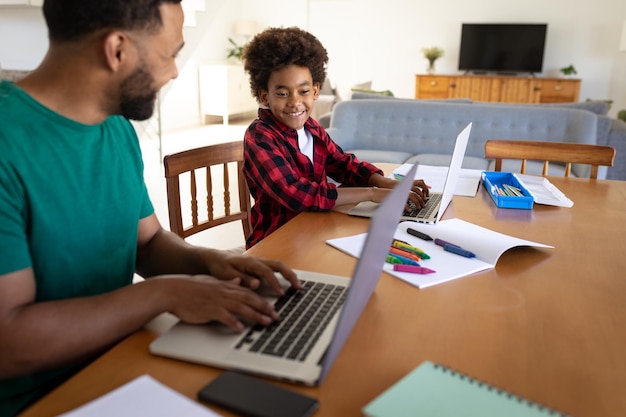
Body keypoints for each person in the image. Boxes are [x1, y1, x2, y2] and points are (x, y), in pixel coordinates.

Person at [0, 2, 299, 416]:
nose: (175, 71)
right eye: (170, 54)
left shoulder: (116, 127)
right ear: (117, 50)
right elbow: (9, 343)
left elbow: (149, 241)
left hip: (127, 358)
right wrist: (164, 293)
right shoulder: (7, 142)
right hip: (42, 399)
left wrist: (211, 263)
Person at [241, 27, 429, 248]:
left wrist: (388, 183)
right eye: (282, 93)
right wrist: (373, 194)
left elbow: (343, 164)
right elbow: (296, 193)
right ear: (265, 95)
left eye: (303, 91)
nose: (294, 102)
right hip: (276, 243)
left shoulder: (312, 128)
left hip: (315, 233)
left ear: (316, 91)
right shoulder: (260, 137)